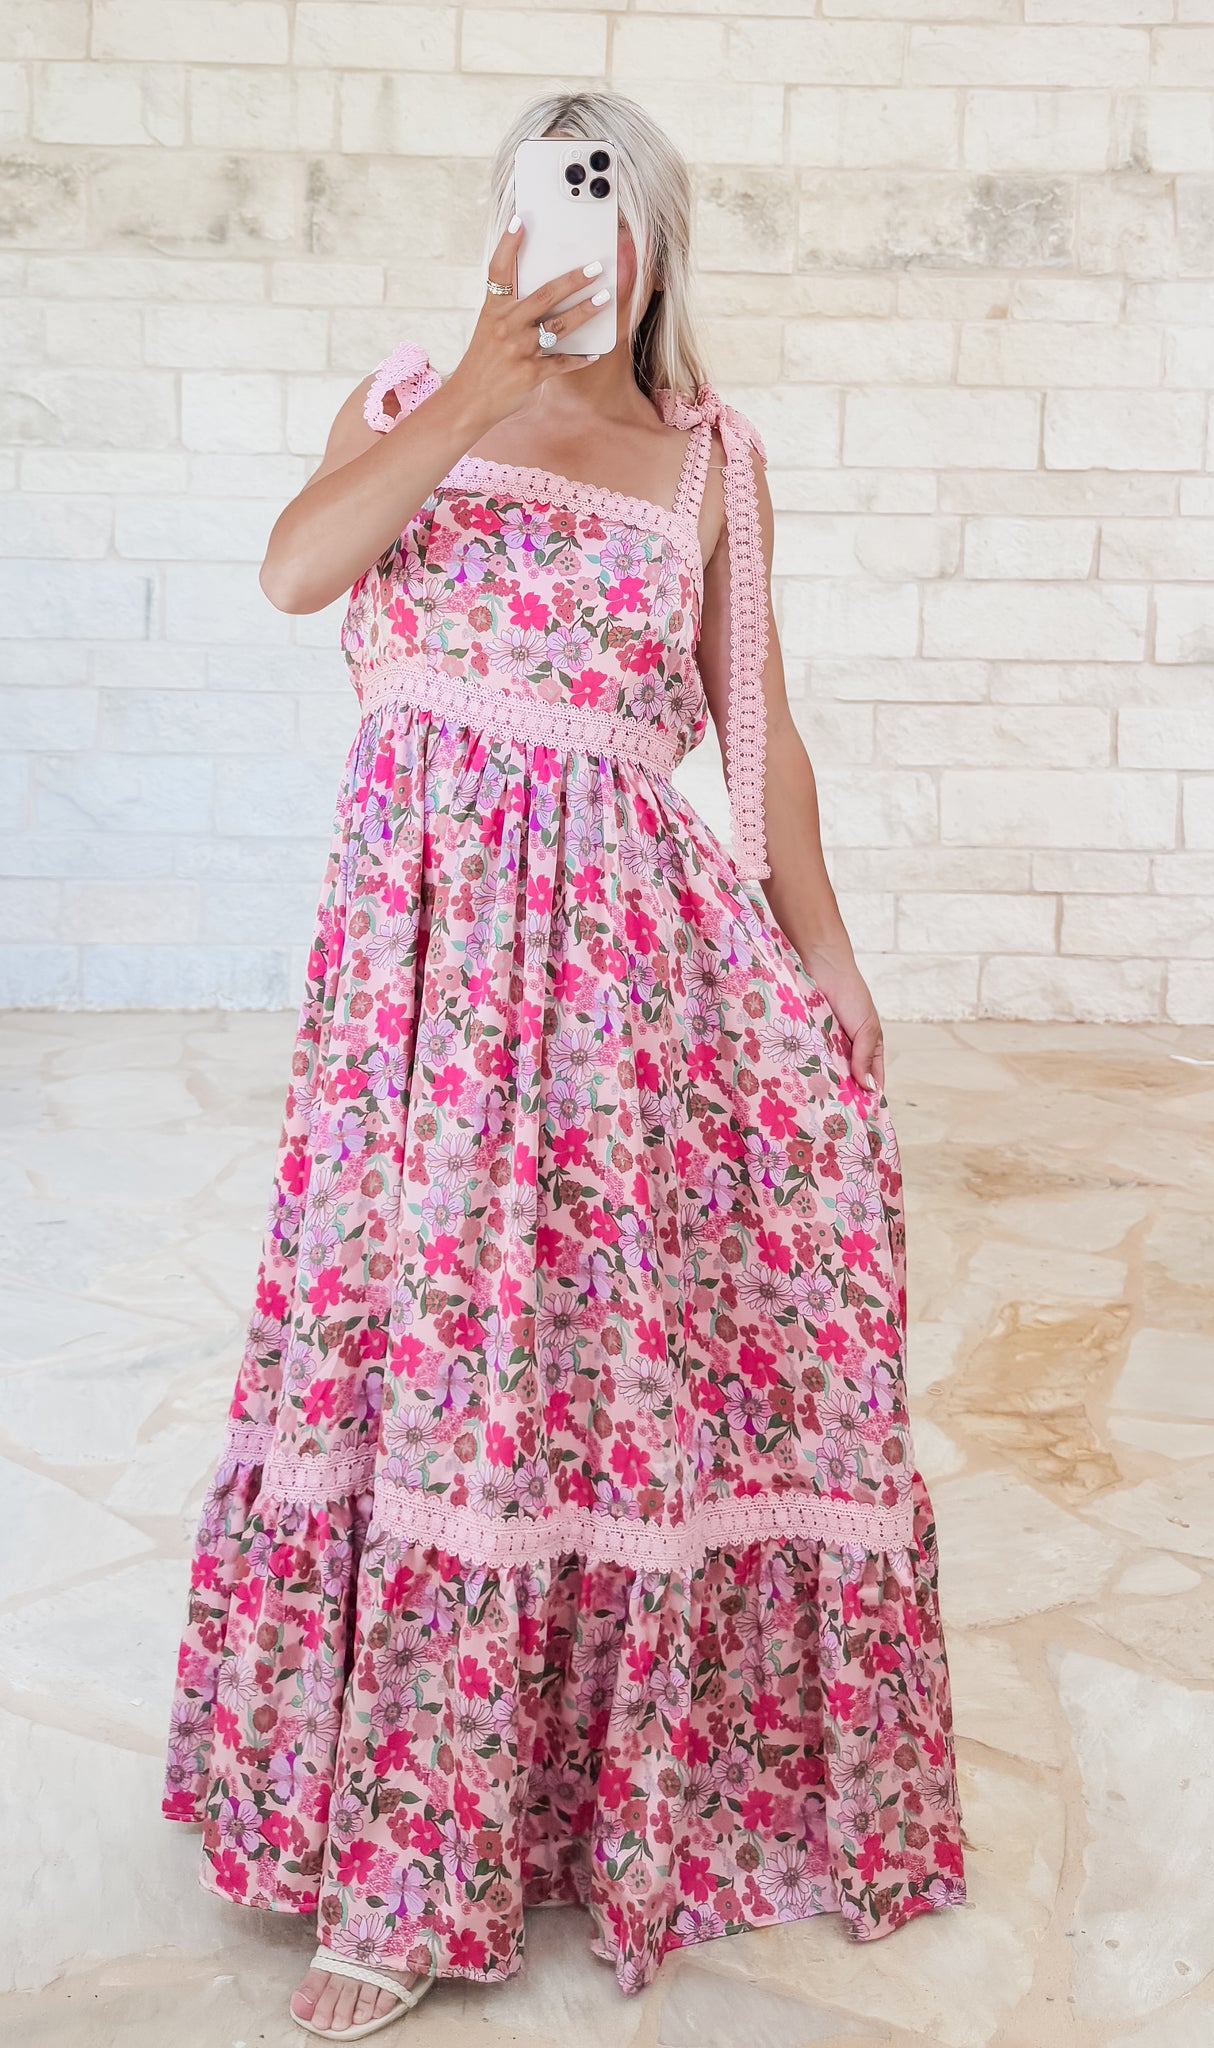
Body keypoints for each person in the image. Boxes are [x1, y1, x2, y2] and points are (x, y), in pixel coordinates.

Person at [162, 88, 967, 2043]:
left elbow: (757, 726)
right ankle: (402, 1861)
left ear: (660, 242)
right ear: (506, 225)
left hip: (625, 987)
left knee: (576, 1390)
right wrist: (473, 380)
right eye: (550, 197)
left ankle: (576, 1814)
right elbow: (296, 573)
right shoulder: (410, 400)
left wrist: (827, 953)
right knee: (427, 1371)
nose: (585, 236)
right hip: (419, 996)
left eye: (618, 206)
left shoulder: (708, 459)